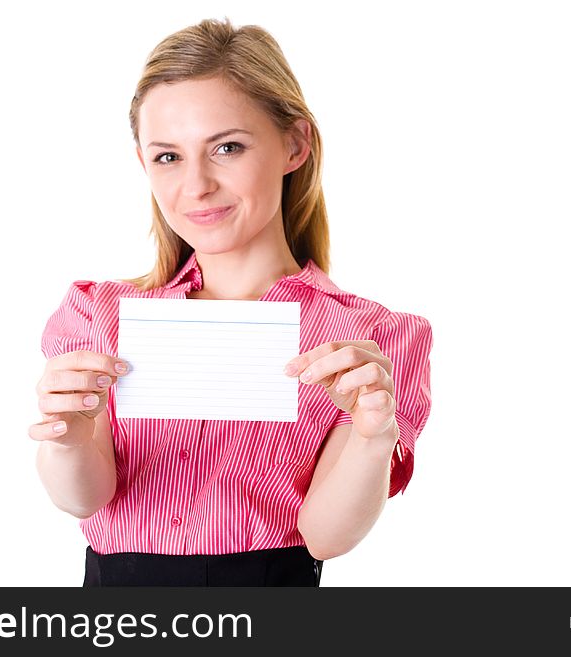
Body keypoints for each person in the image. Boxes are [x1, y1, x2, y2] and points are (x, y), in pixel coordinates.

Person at [29, 17, 433, 587]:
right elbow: (83, 499)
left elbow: (326, 536)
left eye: (227, 147)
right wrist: (68, 436)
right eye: (168, 156)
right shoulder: (99, 313)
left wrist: (372, 437)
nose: (196, 186)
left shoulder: (371, 339)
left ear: (295, 144)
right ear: (143, 161)